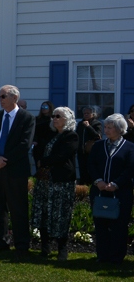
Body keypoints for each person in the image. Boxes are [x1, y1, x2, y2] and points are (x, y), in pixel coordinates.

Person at [0, 85, 36, 253]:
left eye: (3, 96)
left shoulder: (26, 118)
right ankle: (2, 240)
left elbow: (25, 144)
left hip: (15, 169)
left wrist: (4, 160)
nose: (0, 100)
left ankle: (21, 243)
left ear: (15, 98)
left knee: (18, 207)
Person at [31, 107, 78, 261]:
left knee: (60, 214)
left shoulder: (71, 136)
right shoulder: (49, 134)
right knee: (44, 213)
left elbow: (62, 155)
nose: (54, 119)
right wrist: (40, 160)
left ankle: (62, 249)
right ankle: (45, 247)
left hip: (61, 181)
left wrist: (43, 161)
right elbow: (37, 149)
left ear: (67, 119)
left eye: (58, 116)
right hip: (44, 181)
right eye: (53, 116)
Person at [88, 113, 134, 264]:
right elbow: (91, 165)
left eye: (110, 128)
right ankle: (102, 255)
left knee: (119, 225)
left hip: (121, 192)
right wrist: (98, 181)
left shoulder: (129, 147)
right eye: (105, 127)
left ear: (120, 129)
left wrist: (116, 184)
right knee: (101, 224)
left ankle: (116, 257)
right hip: (100, 191)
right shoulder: (98, 145)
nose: (106, 130)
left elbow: (130, 169)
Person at [77, 106, 102, 184]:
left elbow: (97, 136)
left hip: (91, 151)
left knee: (91, 169)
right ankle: (82, 186)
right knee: (82, 169)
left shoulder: (97, 123)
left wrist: (88, 126)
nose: (86, 115)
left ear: (93, 114)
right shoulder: (80, 124)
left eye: (88, 113)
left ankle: (91, 185)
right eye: (84, 113)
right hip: (81, 151)